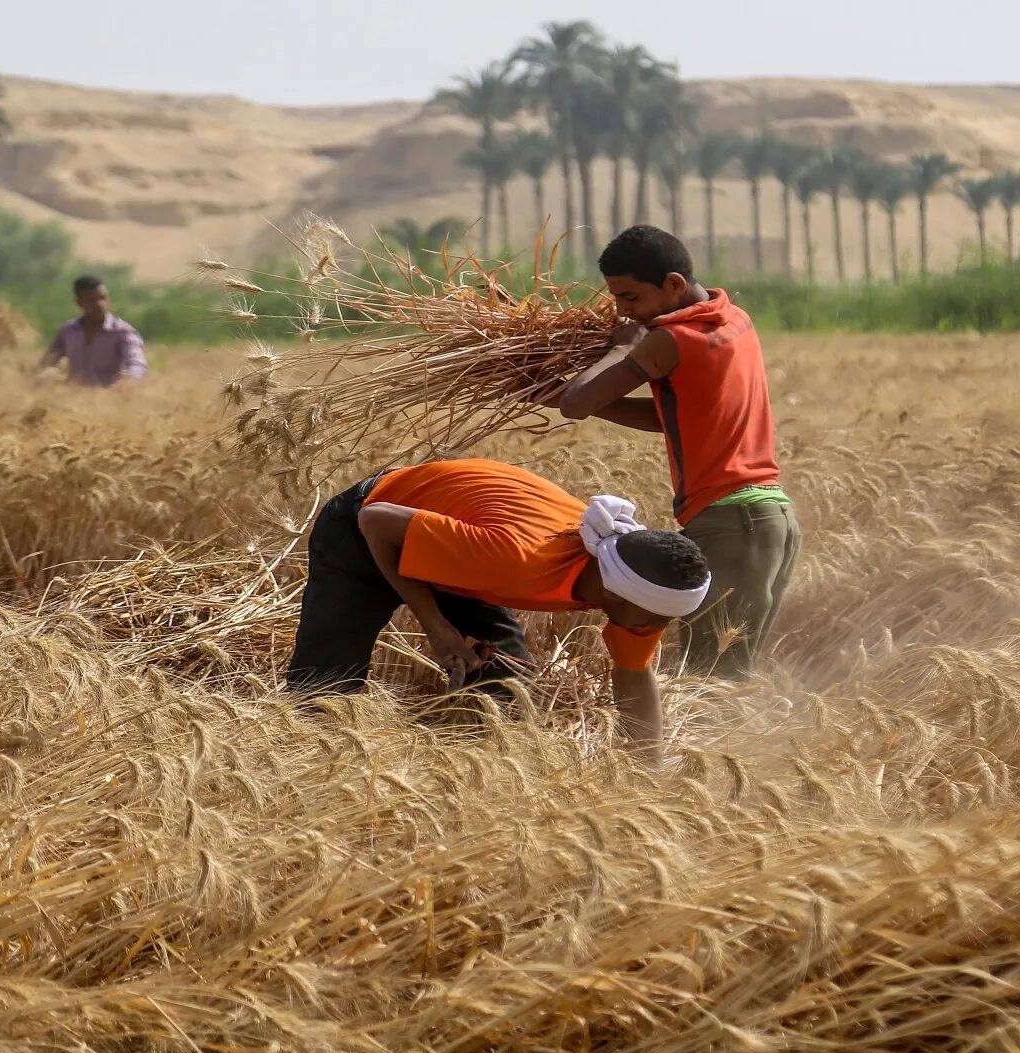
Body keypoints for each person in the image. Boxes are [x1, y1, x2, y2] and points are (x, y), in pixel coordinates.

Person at [284, 458, 711, 756]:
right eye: (656, 619)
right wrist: (434, 622)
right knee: (326, 683)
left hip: (459, 539)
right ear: (616, 592)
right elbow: (376, 520)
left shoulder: (636, 589)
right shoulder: (516, 559)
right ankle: (307, 770)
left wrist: (649, 773)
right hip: (365, 525)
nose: (657, 628)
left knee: (506, 687)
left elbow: (634, 677)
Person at [553, 225, 798, 679]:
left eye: (630, 298)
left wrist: (621, 351)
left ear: (673, 285)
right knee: (726, 675)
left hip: (731, 527)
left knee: (711, 680)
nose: (623, 311)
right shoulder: (733, 319)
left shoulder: (671, 339)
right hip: (769, 521)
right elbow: (670, 417)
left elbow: (574, 404)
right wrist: (585, 400)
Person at [38, 275, 148, 387]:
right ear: (79, 303)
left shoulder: (122, 332)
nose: (100, 304)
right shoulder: (67, 331)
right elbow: (47, 363)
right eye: (92, 300)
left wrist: (127, 383)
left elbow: (137, 363)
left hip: (110, 399)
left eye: (103, 298)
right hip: (74, 400)